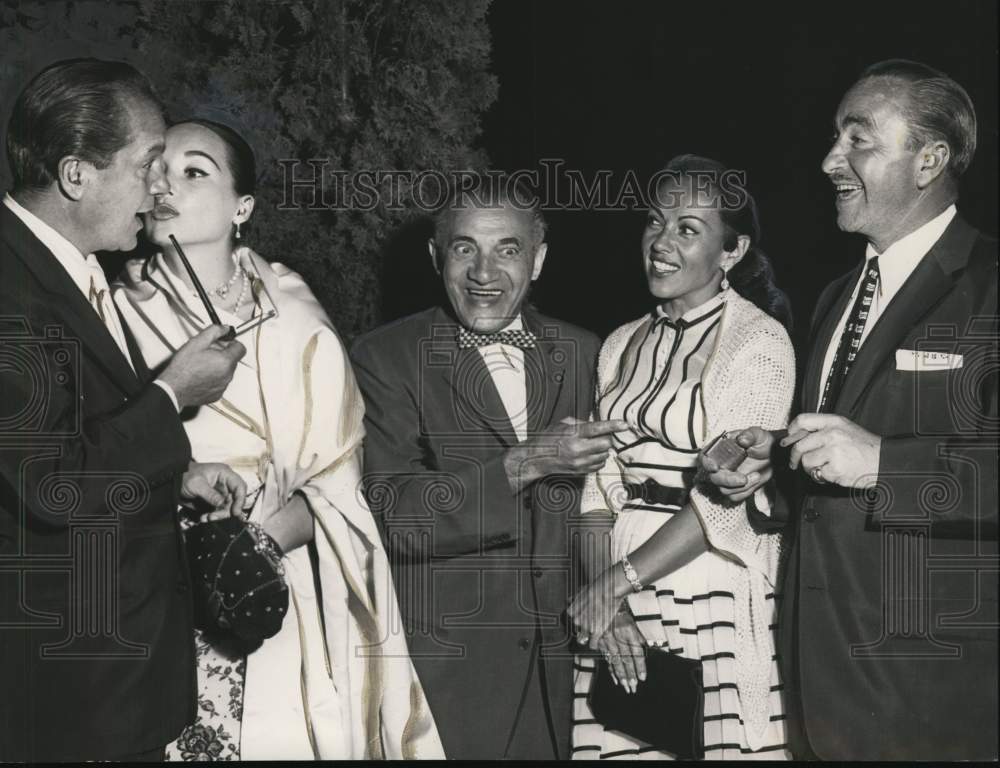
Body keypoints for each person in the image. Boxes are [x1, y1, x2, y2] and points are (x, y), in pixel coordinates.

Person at [112, 119, 443, 760]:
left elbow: (336, 485)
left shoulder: (294, 314)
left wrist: (250, 547)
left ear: (244, 206)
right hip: (146, 582)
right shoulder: (111, 306)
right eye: (157, 168)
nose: (164, 184)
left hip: (266, 579)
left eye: (193, 171)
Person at [706, 60, 998, 760]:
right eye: (836, 138)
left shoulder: (990, 286)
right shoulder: (836, 295)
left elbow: (877, 454)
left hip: (934, 689)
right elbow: (845, 445)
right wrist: (772, 459)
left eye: (857, 139)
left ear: (929, 159)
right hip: (817, 675)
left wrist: (884, 465)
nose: (829, 159)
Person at [0, 59, 247, 762]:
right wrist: (173, 395)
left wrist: (178, 473)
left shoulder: (69, 268)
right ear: (77, 176)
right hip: (65, 696)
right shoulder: (10, 294)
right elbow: (55, 483)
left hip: (115, 683)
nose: (161, 191)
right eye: (148, 166)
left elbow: (73, 433)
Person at [350, 175, 620, 759]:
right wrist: (527, 461)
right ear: (436, 256)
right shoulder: (383, 357)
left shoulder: (588, 353)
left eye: (508, 249)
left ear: (539, 260)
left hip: (565, 681)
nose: (484, 272)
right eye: (465, 247)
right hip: (447, 684)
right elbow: (396, 515)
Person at [568, 155, 796, 759]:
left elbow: (724, 506)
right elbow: (597, 494)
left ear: (733, 250)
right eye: (655, 222)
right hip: (618, 590)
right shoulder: (619, 342)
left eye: (688, 229)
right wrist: (605, 600)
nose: (661, 243)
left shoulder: (759, 341)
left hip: (707, 579)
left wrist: (617, 581)